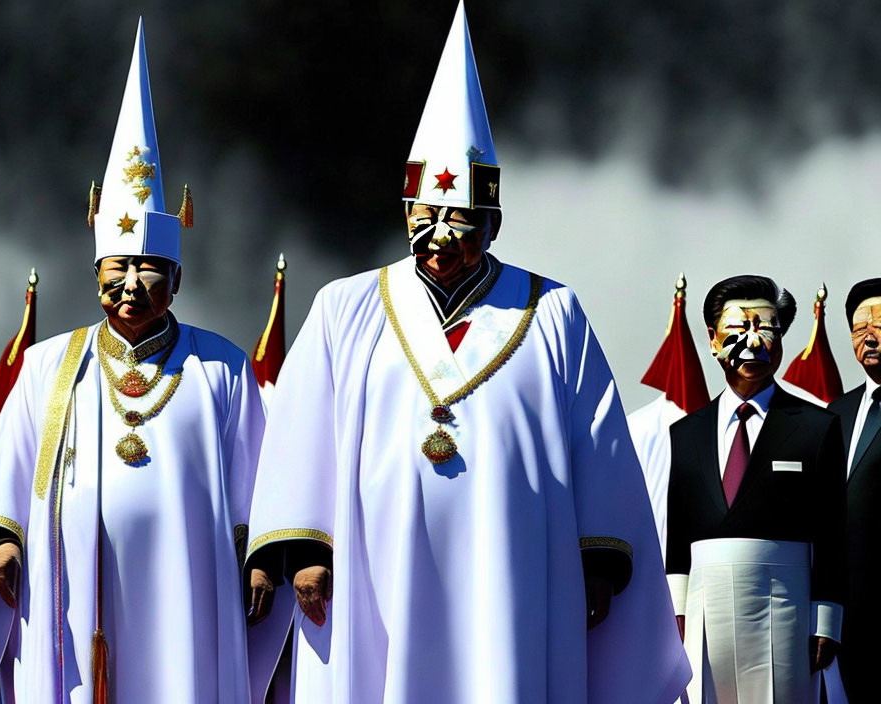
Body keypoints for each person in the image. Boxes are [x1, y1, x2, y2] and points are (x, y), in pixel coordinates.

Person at [243, 3, 690, 703]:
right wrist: (304, 548)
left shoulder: (553, 311)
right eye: (427, 217)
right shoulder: (346, 306)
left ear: (493, 221)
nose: (441, 233)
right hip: (373, 565)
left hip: (512, 567)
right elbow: (302, 431)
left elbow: (597, 444)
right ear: (406, 214)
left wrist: (597, 561)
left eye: (459, 218)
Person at [0, 20, 265, 703]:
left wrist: (258, 558)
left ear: (176, 277)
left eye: (149, 267)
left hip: (189, 589)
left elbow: (259, 469)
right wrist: (2, 541)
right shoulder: (51, 364)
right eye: (119, 266)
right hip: (73, 590)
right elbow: (9, 467)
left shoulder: (222, 368)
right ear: (96, 271)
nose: (133, 282)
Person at [665, 275, 847, 703]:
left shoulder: (817, 427)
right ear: (712, 340)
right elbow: (679, 534)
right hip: (705, 603)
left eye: (766, 328)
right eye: (738, 330)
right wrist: (677, 613)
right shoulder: (686, 433)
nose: (753, 342)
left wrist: (825, 620)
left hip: (785, 604)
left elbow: (834, 532)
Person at [828, 278, 881, 702]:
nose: (869, 334)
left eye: (879, 322)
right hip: (839, 617)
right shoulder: (835, 413)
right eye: (859, 326)